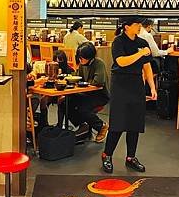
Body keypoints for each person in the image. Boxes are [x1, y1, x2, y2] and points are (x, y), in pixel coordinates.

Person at [102, 16, 157, 173]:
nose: (139, 26)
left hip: (136, 84)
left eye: (140, 24)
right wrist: (140, 54)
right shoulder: (118, 42)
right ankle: (107, 155)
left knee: (135, 123)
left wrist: (152, 87)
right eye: (136, 24)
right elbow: (121, 62)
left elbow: (147, 67)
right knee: (118, 123)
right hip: (120, 84)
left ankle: (131, 157)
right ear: (126, 26)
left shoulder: (142, 43)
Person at [66, 42, 109, 142]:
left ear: (90, 57)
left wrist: (85, 82)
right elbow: (78, 78)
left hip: (99, 95)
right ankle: (83, 124)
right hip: (85, 93)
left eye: (82, 58)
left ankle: (101, 126)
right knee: (65, 102)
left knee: (83, 108)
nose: (80, 60)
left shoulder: (99, 63)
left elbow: (98, 82)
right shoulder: (82, 65)